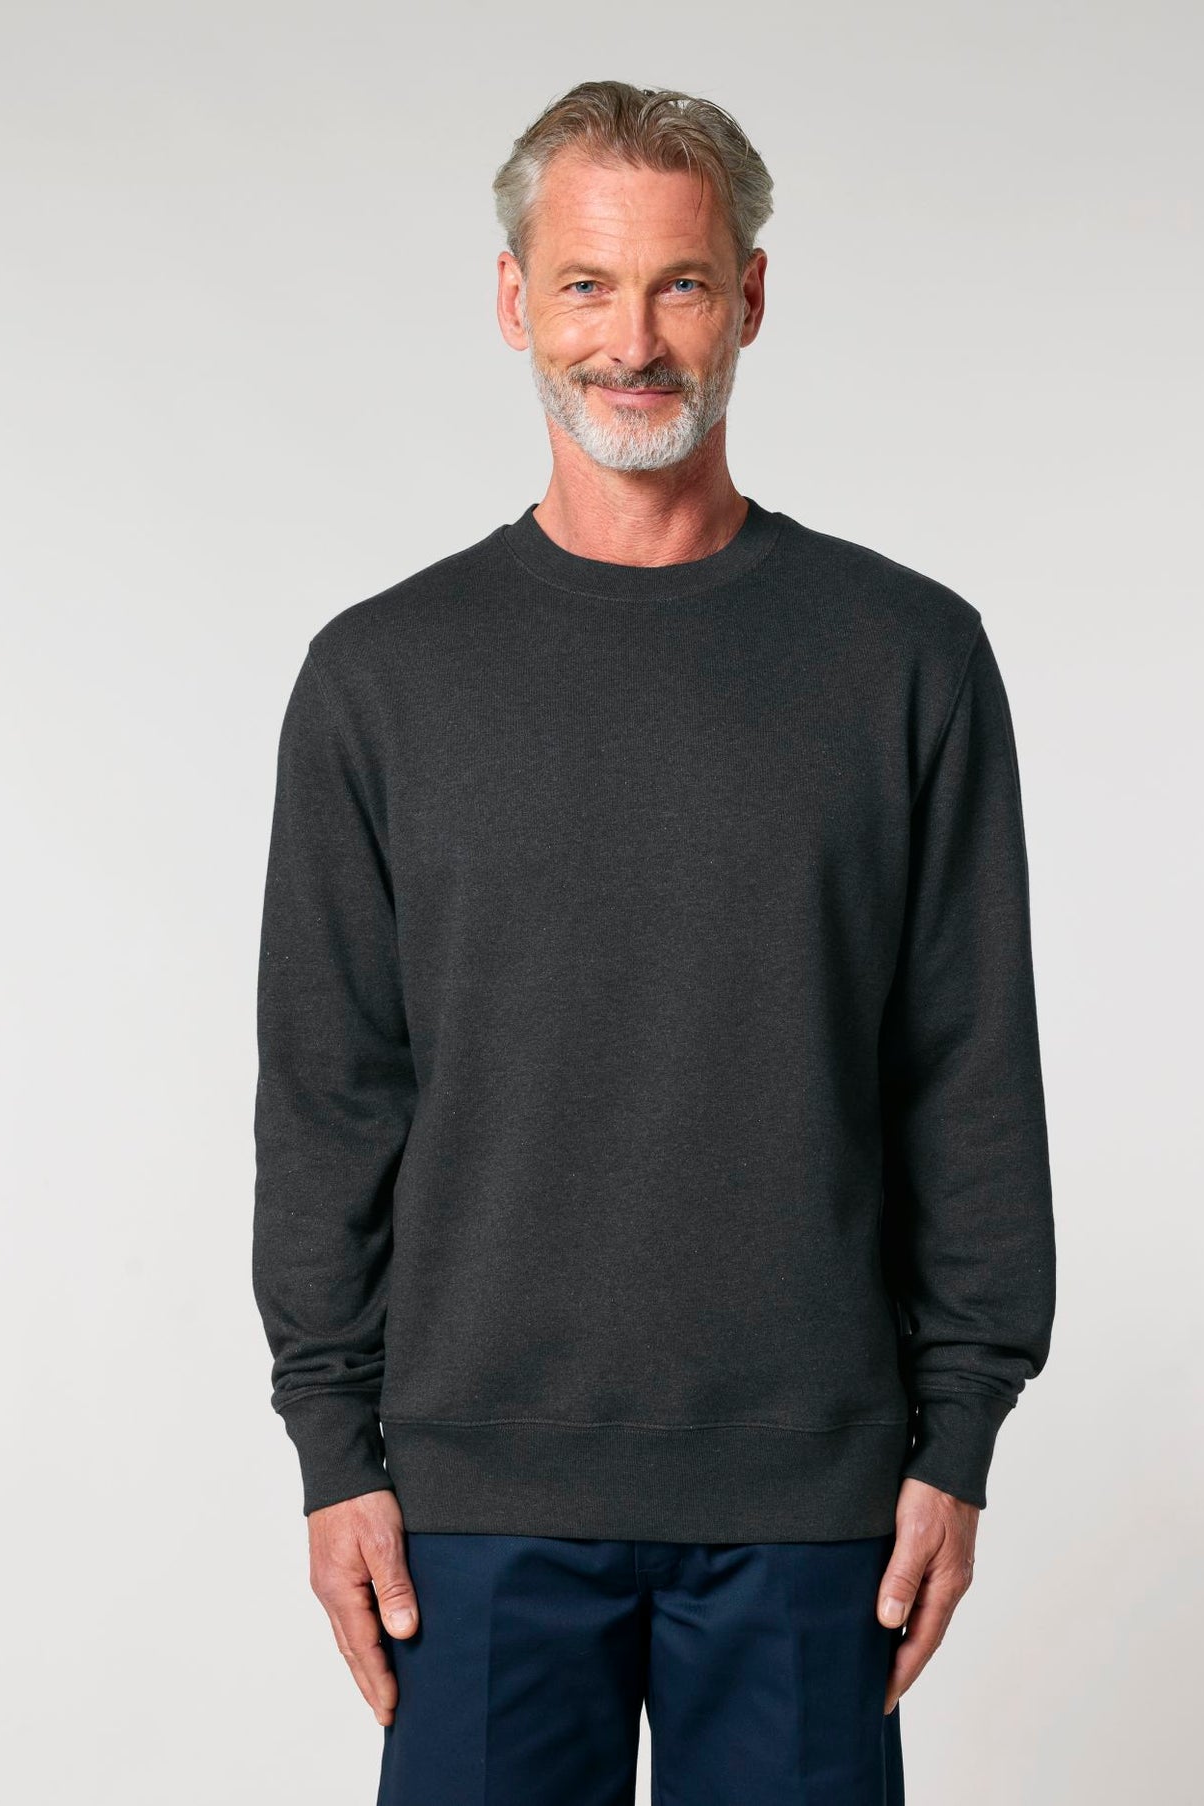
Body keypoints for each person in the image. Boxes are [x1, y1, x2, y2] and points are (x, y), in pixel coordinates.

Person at [252, 78, 1056, 1805]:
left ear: (749, 297)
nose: (631, 340)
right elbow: (331, 1097)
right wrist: (332, 1449)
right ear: (513, 300)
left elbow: (966, 1070)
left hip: (813, 1497)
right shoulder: (380, 677)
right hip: (467, 1505)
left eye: (680, 283)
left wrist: (961, 1433)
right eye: (587, 285)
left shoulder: (905, 658)